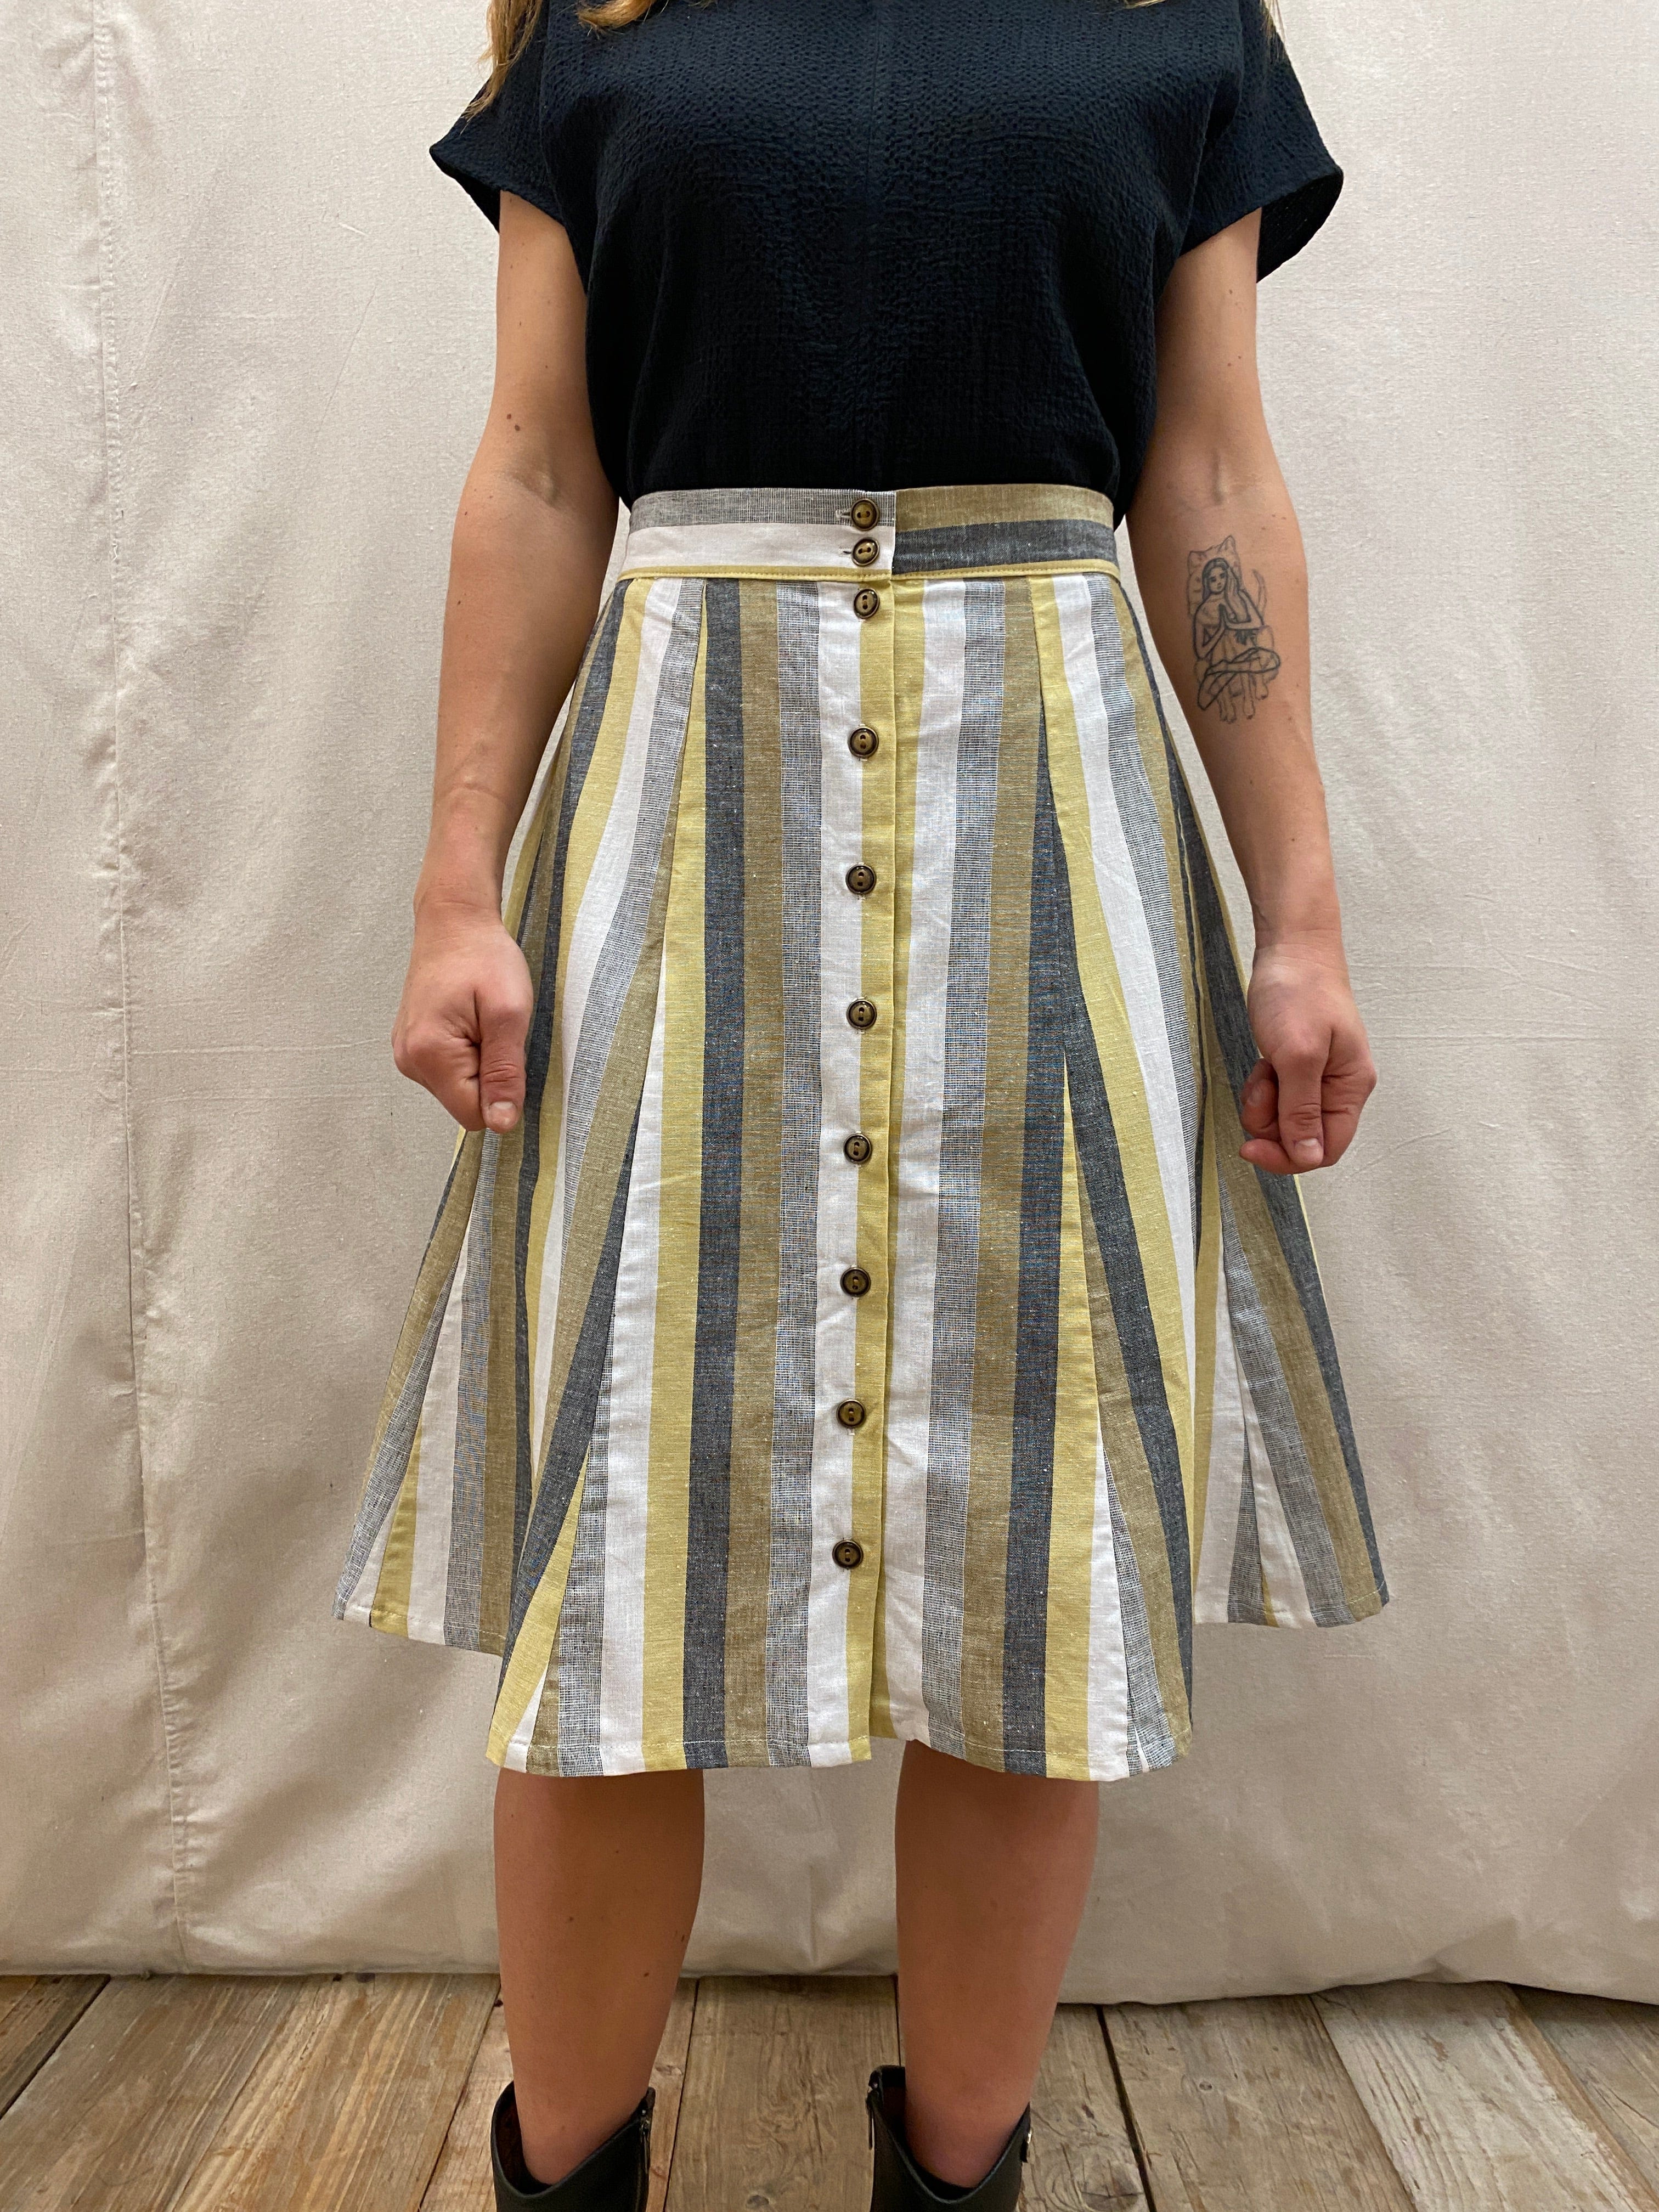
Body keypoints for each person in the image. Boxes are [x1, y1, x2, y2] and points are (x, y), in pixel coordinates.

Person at [333, 0, 1390, 2203]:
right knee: (620, 1558)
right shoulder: (606, 21)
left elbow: (1210, 475)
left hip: (1056, 820)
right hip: (678, 823)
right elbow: (538, 471)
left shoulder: (1176, 20)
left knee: (1032, 1566)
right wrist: (455, 882)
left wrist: (1299, 908)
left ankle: (963, 2180)